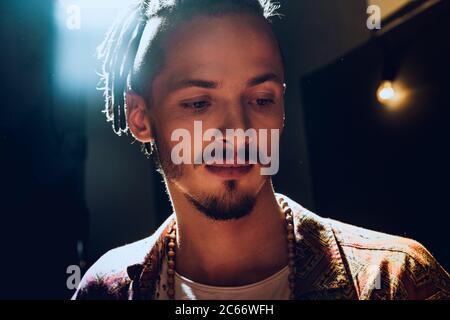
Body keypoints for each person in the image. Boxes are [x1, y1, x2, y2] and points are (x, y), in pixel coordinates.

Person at [72, 0, 449, 300]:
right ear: (140, 118)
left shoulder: (394, 280)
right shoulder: (107, 290)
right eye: (199, 103)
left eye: (260, 99)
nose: (238, 132)